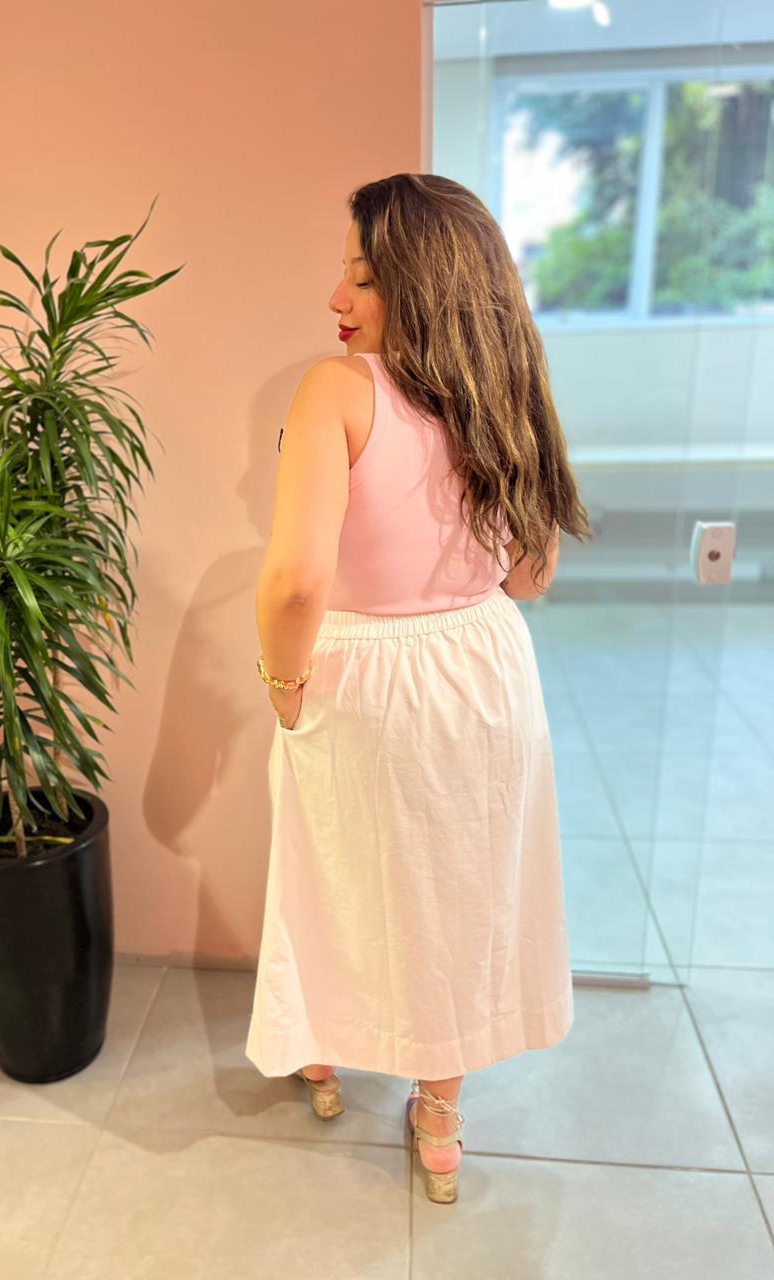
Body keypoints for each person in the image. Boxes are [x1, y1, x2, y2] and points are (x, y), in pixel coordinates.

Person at [245, 173, 593, 1204]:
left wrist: (283, 682)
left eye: (360, 276)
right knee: (459, 889)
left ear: (420, 282)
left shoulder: (336, 390)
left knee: (334, 868)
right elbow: (529, 577)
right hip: (484, 668)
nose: (336, 297)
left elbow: (294, 580)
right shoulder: (506, 392)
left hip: (363, 673)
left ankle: (320, 1048)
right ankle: (440, 1116)